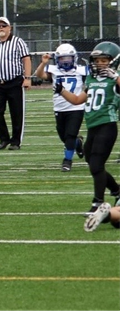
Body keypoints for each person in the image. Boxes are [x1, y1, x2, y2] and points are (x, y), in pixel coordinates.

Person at [57, 41, 120, 217]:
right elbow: (78, 100)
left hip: (107, 125)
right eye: (97, 60)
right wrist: (61, 91)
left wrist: (115, 76)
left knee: (96, 165)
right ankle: (116, 191)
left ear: (113, 61)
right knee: (91, 163)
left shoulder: (116, 77)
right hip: (92, 126)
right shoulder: (91, 78)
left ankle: (97, 203)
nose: (99, 63)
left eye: (103, 60)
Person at [34, 43, 86, 172]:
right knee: (64, 137)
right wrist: (43, 63)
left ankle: (67, 161)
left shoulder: (81, 70)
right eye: (62, 58)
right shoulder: (54, 70)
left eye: (68, 58)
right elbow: (39, 75)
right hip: (59, 108)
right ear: (57, 59)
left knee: (70, 135)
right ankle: (78, 144)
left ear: (74, 58)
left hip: (76, 107)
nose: (66, 61)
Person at [0, 17, 32, 150]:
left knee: (16, 112)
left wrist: (27, 78)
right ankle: (4, 138)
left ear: (10, 28)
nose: (1, 28)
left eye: (4, 26)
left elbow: (26, 59)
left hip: (15, 82)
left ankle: (15, 141)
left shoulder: (18, 42)